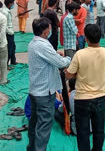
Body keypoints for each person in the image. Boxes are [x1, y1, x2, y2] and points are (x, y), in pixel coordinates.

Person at [65, 24, 105, 151]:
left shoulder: (80, 54)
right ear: (100, 37)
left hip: (82, 98)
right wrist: (103, 73)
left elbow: (69, 74)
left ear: (86, 39)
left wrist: (79, 74)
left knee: (83, 132)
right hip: (100, 97)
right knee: (99, 129)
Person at [27, 17, 71, 151]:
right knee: (44, 127)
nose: (51, 32)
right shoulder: (43, 45)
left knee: (35, 124)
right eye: (50, 30)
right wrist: (69, 58)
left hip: (35, 90)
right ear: (45, 32)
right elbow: (62, 63)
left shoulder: (34, 43)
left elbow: (48, 56)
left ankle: (32, 148)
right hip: (44, 93)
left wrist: (55, 54)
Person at [1, 0, 16, 68]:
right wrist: (9, 32)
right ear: (10, 4)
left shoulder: (7, 11)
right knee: (9, 49)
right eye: (13, 3)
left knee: (13, 47)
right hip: (8, 33)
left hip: (11, 32)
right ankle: (6, 64)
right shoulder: (5, 12)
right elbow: (5, 25)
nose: (14, 4)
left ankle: (13, 61)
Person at [0, 11, 8, 85]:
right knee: (3, 62)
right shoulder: (2, 17)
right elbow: (2, 33)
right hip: (1, 44)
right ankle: (3, 80)